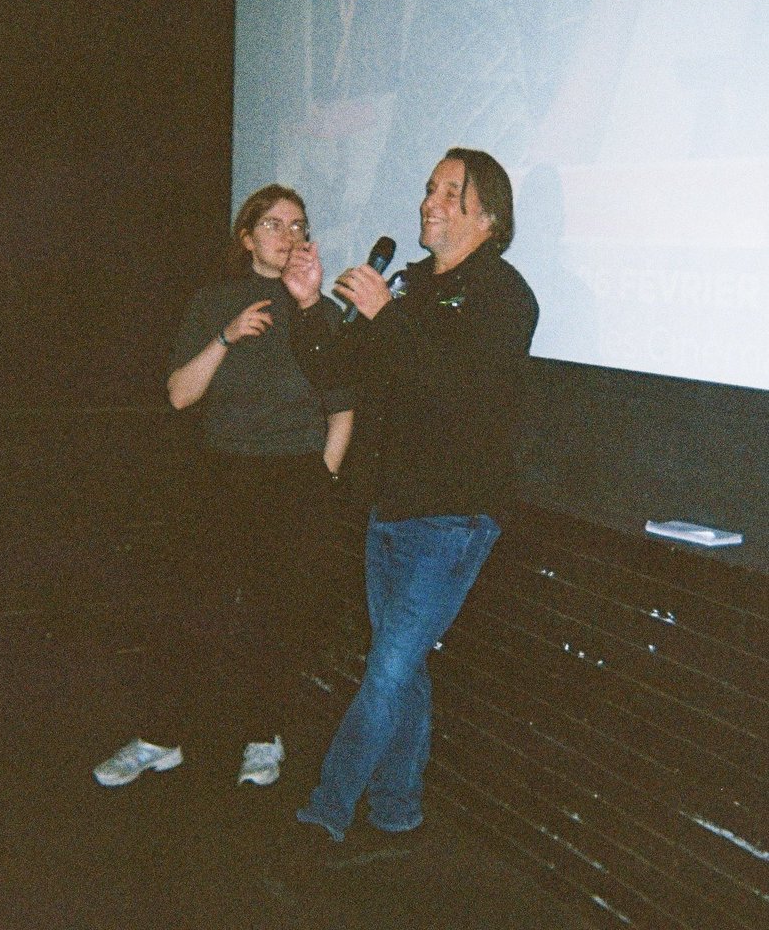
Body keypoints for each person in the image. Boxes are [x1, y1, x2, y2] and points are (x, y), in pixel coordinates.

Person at [281, 147, 538, 842]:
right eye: (429, 188)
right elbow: (338, 372)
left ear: (488, 215)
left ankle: (325, 813)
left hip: (453, 516)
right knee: (406, 666)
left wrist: (387, 318)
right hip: (389, 509)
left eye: (450, 193)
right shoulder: (410, 286)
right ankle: (398, 810)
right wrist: (309, 308)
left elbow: (463, 392)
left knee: (387, 669)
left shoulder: (504, 297)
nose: (430, 201)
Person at [92, 184, 353, 788]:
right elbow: (180, 393)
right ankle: (160, 737)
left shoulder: (320, 313)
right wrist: (227, 336)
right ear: (247, 236)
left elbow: (343, 406)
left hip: (293, 476)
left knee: (275, 615)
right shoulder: (216, 300)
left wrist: (323, 477)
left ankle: (263, 735)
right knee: (192, 608)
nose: (287, 235)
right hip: (221, 473)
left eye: (298, 224)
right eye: (273, 224)